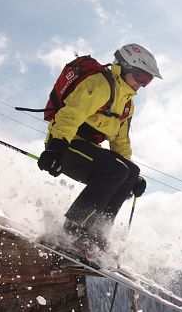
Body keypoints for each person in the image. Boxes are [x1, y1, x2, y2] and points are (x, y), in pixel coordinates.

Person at [36, 43, 160, 259]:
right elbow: (70, 115)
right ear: (124, 67)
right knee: (115, 171)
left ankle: (96, 234)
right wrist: (55, 149)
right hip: (64, 145)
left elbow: (120, 141)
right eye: (141, 77)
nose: (142, 84)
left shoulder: (127, 103)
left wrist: (132, 180)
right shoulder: (101, 85)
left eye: (147, 81)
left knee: (128, 172)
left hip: (88, 150)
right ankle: (73, 230)